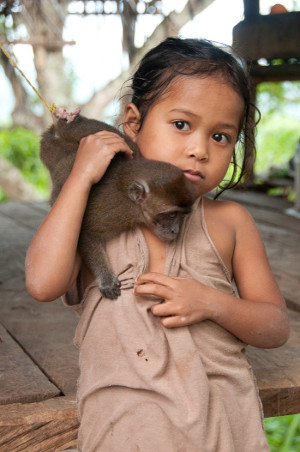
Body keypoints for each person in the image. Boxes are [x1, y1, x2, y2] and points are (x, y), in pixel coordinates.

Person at [25, 37, 289, 451]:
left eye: (221, 137)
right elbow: (42, 283)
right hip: (124, 431)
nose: (199, 150)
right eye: (182, 125)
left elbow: (274, 326)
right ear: (132, 122)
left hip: (223, 429)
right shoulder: (91, 214)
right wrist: (80, 176)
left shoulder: (230, 223)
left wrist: (213, 303)